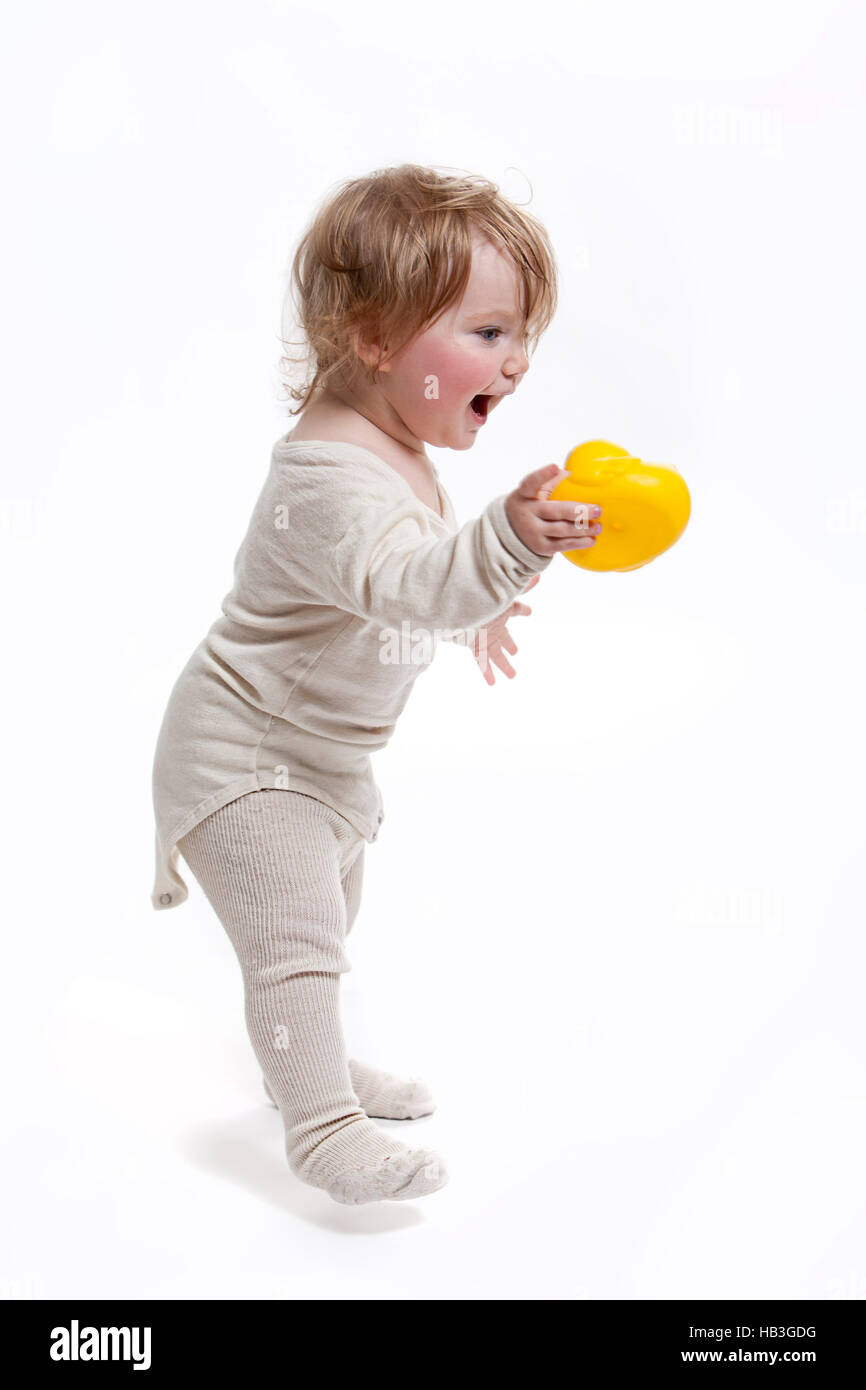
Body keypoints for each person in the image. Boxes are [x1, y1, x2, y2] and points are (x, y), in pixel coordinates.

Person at [150, 163, 602, 1206]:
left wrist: (481, 597)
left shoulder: (391, 450)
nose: (517, 360)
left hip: (313, 760)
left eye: (520, 335)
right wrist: (503, 547)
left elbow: (404, 580)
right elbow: (407, 580)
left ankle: (300, 1067)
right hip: (243, 757)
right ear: (374, 338)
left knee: (322, 921)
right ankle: (318, 1129)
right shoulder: (324, 478)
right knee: (298, 942)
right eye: (488, 334)